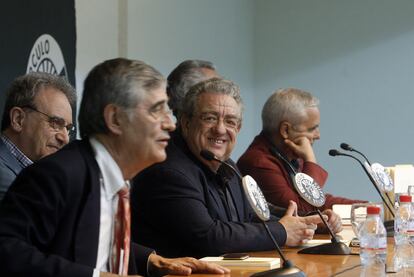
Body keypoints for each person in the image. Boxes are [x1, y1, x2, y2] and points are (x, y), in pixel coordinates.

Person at [0, 58, 229, 277]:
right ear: (115, 119)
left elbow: (96, 240)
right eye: (157, 110)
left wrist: (152, 261)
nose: (170, 123)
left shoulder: (118, 176)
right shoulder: (58, 175)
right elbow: (7, 252)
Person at [131, 78, 322, 258]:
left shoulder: (226, 165)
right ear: (186, 123)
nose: (220, 129)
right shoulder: (168, 171)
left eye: (230, 121)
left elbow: (250, 217)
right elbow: (209, 237)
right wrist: (282, 231)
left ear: (238, 128)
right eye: (210, 118)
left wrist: (307, 223)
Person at [237, 88, 365, 233]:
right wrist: (311, 160)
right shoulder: (259, 163)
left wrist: (366, 206)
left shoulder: (288, 155)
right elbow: (303, 208)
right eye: (312, 129)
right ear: (285, 130)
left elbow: (320, 200)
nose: (318, 135)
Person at [0, 72, 76, 201]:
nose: (65, 138)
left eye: (68, 129)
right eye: (55, 123)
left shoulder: (39, 173)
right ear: (18, 119)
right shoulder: (5, 177)